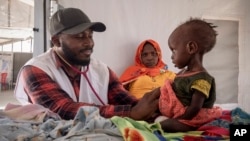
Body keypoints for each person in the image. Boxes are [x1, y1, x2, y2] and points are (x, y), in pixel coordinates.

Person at [14, 7, 160, 121]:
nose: (89, 43)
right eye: (79, 37)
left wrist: (156, 110)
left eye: (90, 35)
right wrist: (131, 113)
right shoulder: (35, 70)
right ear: (57, 41)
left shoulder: (102, 70)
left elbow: (127, 101)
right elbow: (62, 109)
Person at [158, 18, 222, 132]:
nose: (172, 56)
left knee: (166, 125)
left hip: (193, 118)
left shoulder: (202, 79)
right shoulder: (183, 72)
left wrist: (179, 119)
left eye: (174, 51)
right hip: (180, 112)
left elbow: (195, 108)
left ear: (191, 48)